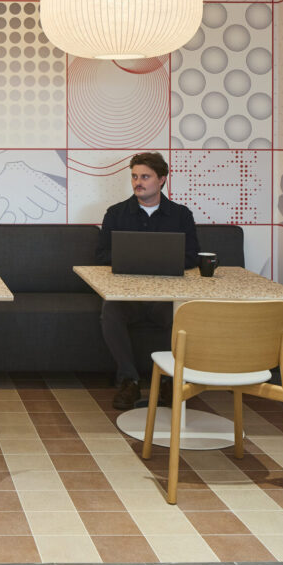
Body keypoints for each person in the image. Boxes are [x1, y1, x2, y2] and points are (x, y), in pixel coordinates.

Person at [96, 152, 200, 411]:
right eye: (134, 176)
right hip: (127, 296)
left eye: (145, 176)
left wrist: (160, 260)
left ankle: (167, 380)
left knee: (181, 313)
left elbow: (192, 256)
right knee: (110, 311)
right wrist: (132, 259)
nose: (138, 182)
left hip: (165, 297)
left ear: (162, 179)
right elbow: (100, 255)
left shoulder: (180, 215)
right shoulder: (116, 213)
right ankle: (129, 380)